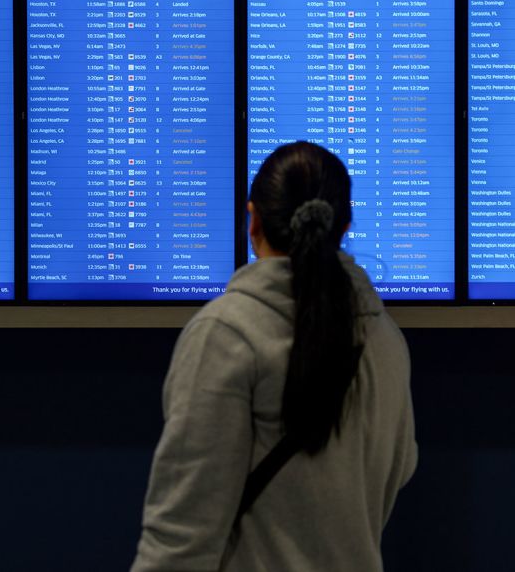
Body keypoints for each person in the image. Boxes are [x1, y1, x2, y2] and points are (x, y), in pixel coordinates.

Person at [130, 141, 417, 572]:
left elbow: (180, 540)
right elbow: (398, 471)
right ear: (344, 227)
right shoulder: (385, 340)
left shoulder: (226, 335)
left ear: (253, 220)